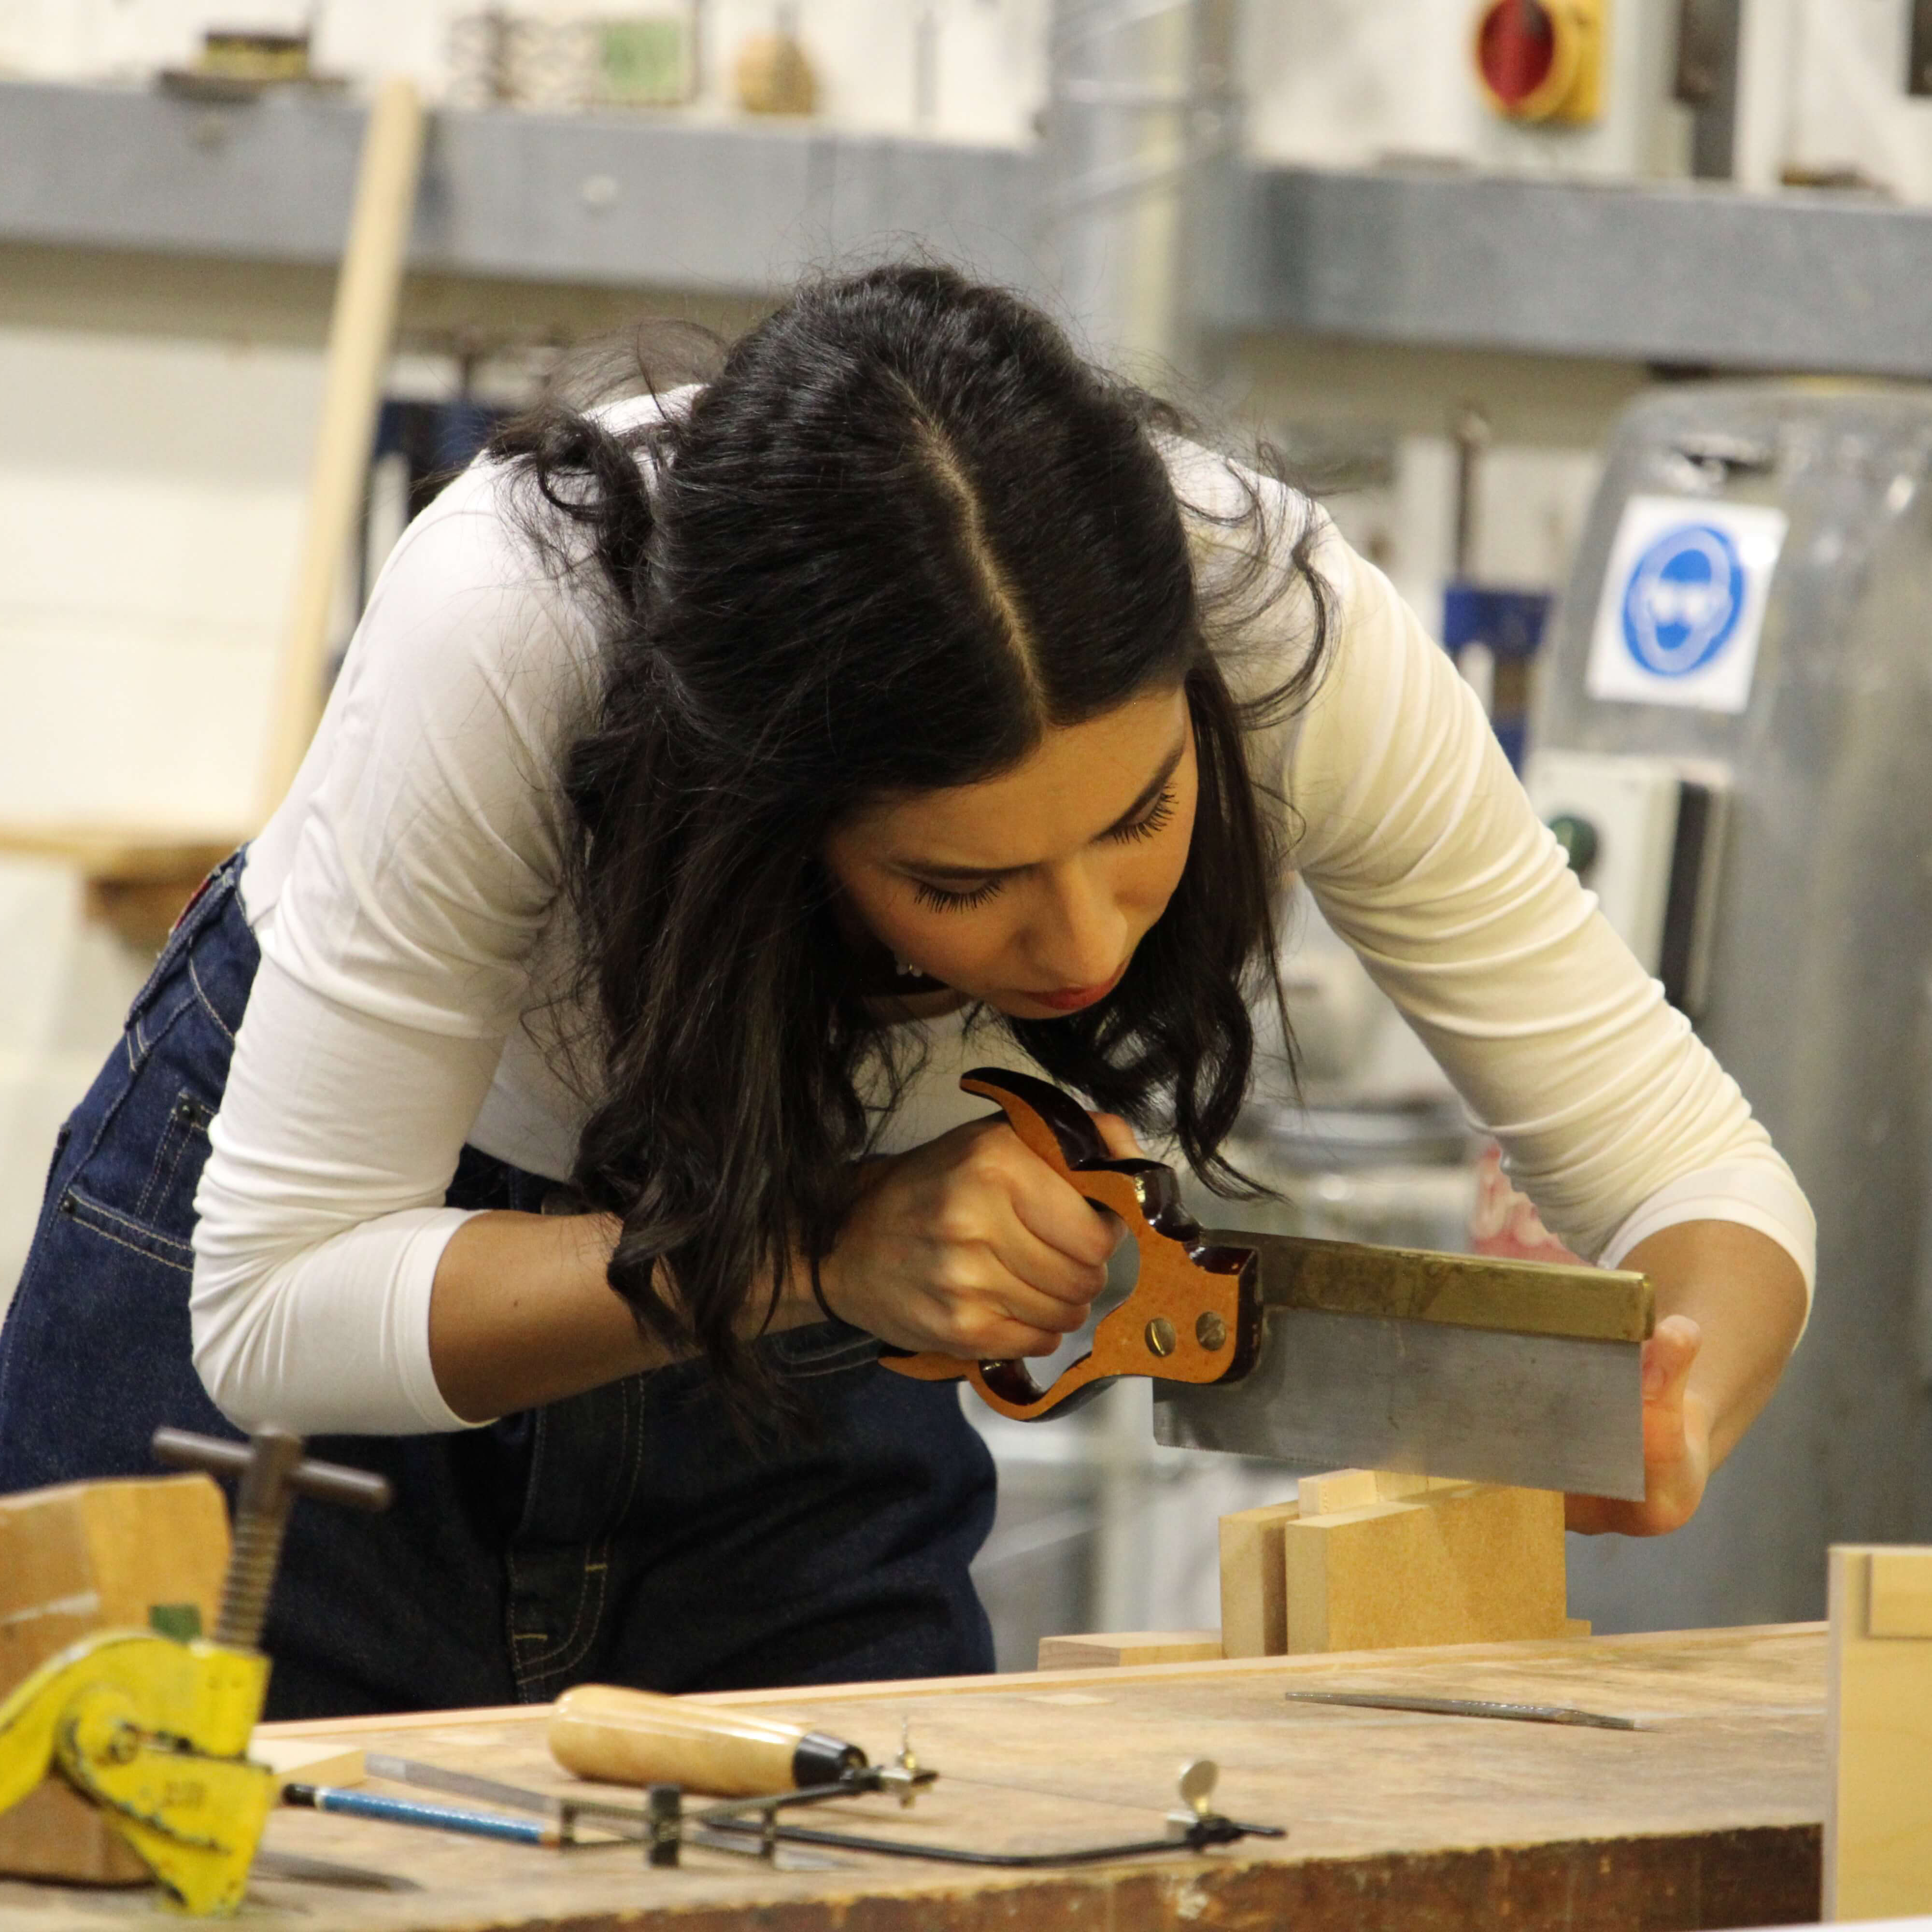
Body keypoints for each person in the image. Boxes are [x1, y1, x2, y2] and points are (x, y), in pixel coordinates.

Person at [0, 266, 1811, 1717]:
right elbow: (278, 1313)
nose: (1092, 947)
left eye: (1144, 816)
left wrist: (1678, 1394)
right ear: (758, 814)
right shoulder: (518, 625)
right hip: (339, 1354)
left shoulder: (1274, 622)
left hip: (790, 1365)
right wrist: (812, 1257)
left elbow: (1700, 1174)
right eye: (963, 882)